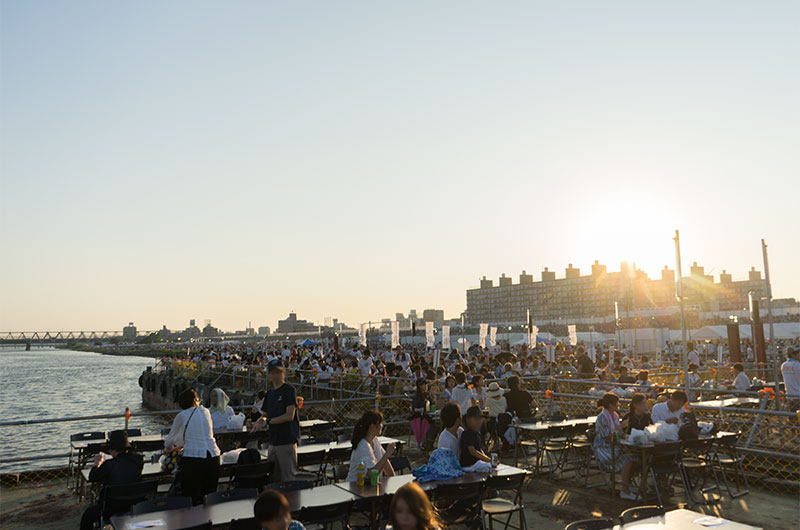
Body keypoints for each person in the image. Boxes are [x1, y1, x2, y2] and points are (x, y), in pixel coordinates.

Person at [164, 388, 221, 505]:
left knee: (192, 499)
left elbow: (169, 441)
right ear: (196, 400)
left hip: (193, 459)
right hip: (213, 456)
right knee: (209, 498)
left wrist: (169, 447)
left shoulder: (182, 415)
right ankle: (208, 521)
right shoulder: (206, 411)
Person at [80, 431, 144, 530]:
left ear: (112, 450)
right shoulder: (138, 461)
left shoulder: (109, 464)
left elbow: (92, 478)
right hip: (135, 505)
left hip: (112, 508)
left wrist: (96, 464)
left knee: (87, 515)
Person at [592, 393, 638, 500]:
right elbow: (607, 437)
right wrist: (620, 427)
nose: (618, 405)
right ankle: (625, 490)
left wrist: (626, 429)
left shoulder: (615, 416)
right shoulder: (602, 418)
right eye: (617, 404)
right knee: (628, 458)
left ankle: (628, 485)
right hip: (604, 448)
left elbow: (619, 434)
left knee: (636, 456)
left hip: (615, 445)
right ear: (610, 405)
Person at [262, 359, 300, 482]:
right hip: (273, 442)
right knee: (273, 478)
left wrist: (268, 421)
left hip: (286, 441)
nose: (275, 375)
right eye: (272, 372)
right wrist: (258, 422)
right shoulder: (269, 394)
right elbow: (264, 415)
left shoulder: (289, 390)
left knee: (287, 479)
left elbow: (289, 415)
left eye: (278, 372)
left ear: (283, 373)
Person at [346, 410, 396, 481]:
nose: (382, 426)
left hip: (369, 486)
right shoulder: (363, 445)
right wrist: (387, 454)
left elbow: (390, 473)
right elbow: (371, 474)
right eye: (380, 423)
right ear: (372, 426)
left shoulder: (375, 440)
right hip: (355, 486)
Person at [485, 382, 506, 449]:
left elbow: (486, 407)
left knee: (487, 424)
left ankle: (495, 440)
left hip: (493, 419)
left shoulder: (489, 400)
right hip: (502, 419)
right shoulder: (503, 399)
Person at [781, 346, 800, 410]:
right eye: (797, 353)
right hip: (798, 394)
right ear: (792, 355)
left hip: (789, 394)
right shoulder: (797, 365)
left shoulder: (784, 365)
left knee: (792, 415)